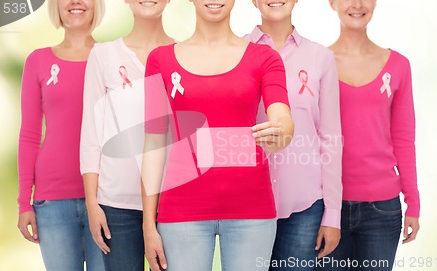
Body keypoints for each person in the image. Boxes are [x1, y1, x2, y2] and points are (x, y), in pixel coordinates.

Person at [141, 0, 294, 270]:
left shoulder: (265, 57)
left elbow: (282, 116)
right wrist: (148, 226)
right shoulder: (160, 60)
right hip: (181, 212)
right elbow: (154, 143)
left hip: (252, 211)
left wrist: (282, 130)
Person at [318, 0, 421, 270]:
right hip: (327, 208)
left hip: (382, 209)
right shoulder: (317, 63)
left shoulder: (398, 65)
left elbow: (404, 139)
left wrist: (413, 203)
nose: (356, 4)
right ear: (331, 3)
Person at [244, 1, 342, 270]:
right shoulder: (234, 52)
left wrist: (333, 214)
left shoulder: (320, 57)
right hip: (245, 205)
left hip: (304, 206)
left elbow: (331, 138)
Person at [80, 0, 174, 270]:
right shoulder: (103, 55)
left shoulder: (183, 54)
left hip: (171, 201)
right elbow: (91, 132)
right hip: (115, 203)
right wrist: (92, 202)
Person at [17, 0, 106, 270]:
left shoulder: (112, 57)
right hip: (52, 201)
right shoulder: (38, 61)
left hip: (106, 198)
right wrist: (24, 202)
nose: (76, 2)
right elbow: (30, 135)